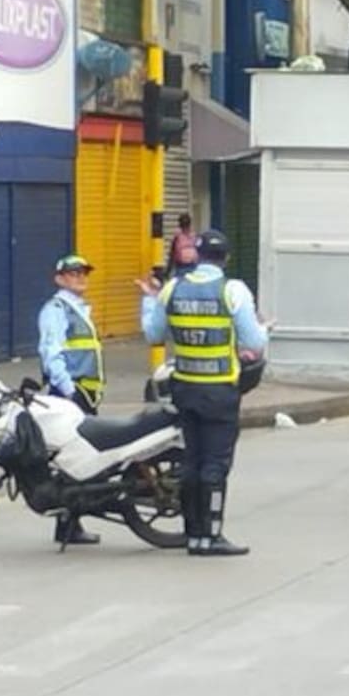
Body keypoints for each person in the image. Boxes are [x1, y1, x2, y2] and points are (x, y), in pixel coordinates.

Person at [138, 229, 268, 557]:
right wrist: (263, 329)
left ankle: (193, 533)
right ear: (226, 258)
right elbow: (253, 343)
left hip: (184, 388)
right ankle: (211, 535)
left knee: (192, 461)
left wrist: (148, 301)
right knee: (215, 465)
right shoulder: (232, 291)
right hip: (220, 391)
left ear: (196, 255)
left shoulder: (172, 289)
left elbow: (153, 335)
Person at [37, 254, 104, 545]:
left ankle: (70, 523)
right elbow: (50, 351)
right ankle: (68, 524)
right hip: (72, 393)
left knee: (79, 459)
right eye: (73, 273)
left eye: (83, 273)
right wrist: (68, 389)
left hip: (85, 393)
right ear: (59, 279)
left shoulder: (79, 308)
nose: (80, 277)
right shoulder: (56, 310)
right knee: (73, 459)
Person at [165, 213, 199, 278]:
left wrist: (167, 272)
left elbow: (172, 255)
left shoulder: (178, 237)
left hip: (181, 267)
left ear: (180, 225)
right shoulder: (194, 236)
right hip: (192, 267)